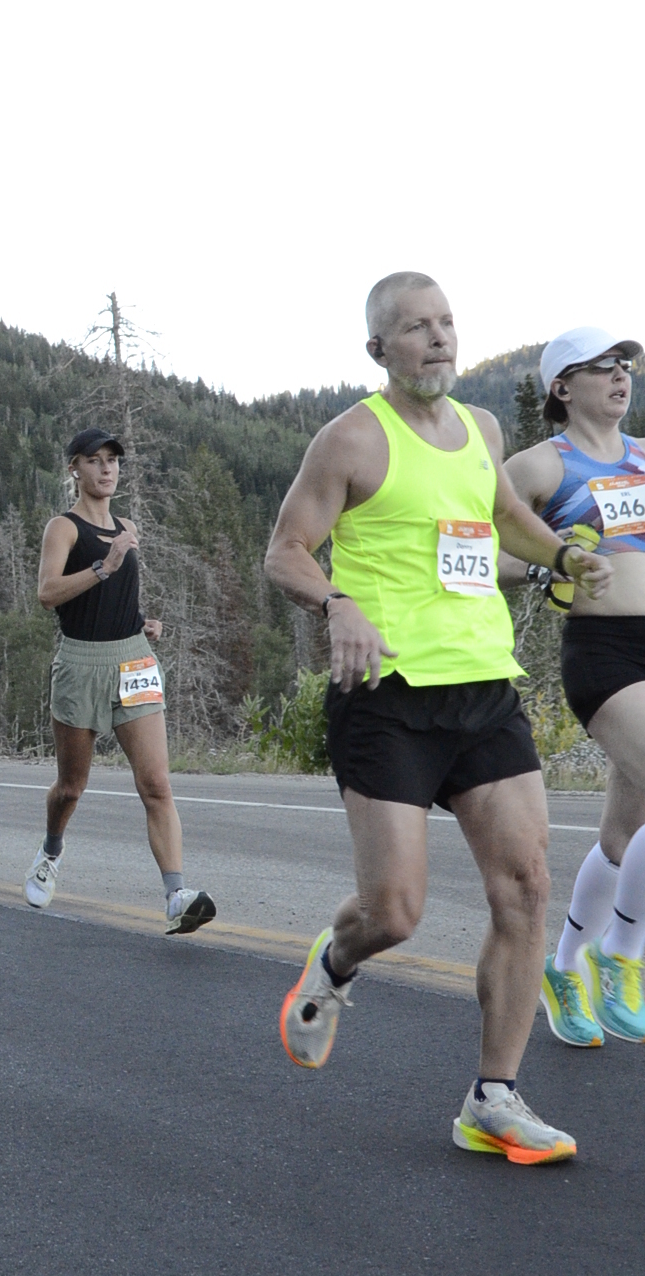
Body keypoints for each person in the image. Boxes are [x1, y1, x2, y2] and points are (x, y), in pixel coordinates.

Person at [263, 272, 611, 1164]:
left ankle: (493, 1097)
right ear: (380, 349)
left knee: (526, 886)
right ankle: (335, 962)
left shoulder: (482, 430)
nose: (438, 338)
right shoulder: (351, 439)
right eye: (416, 327)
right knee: (394, 911)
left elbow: (504, 515)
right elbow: (286, 550)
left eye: (447, 322)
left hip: (483, 687)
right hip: (386, 696)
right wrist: (337, 602)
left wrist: (562, 553)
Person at [499, 325, 645, 1045]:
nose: (621, 376)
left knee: (624, 836)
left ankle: (563, 968)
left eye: (625, 365)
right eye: (602, 366)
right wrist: (545, 566)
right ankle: (621, 954)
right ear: (562, 386)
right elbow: (474, 546)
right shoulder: (538, 466)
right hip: (606, 655)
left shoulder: (644, 457)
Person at [23, 430, 216, 934]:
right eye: (95, 460)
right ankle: (51, 851)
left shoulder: (127, 526)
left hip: (133, 660)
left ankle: (176, 894)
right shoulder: (63, 528)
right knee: (71, 788)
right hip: (80, 664)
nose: (107, 469)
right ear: (75, 468)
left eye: (113, 460)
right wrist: (104, 566)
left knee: (156, 784)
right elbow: (47, 593)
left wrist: (141, 621)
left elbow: (117, 594)